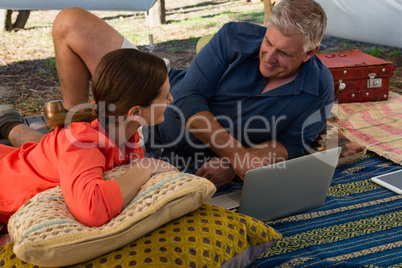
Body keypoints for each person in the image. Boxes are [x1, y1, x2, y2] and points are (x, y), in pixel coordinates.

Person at [1, 0, 334, 188]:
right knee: (70, 21)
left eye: (284, 54)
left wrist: (231, 165)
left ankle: (16, 127)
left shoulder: (319, 88)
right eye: (268, 43)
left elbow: (291, 145)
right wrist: (236, 155)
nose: (270, 56)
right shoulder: (235, 36)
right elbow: (187, 99)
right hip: (154, 102)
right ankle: (68, 130)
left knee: (72, 167)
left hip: (175, 159)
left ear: (309, 52)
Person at [0, 48, 177, 227]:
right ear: (136, 112)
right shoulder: (81, 140)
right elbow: (92, 210)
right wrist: (146, 168)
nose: (171, 99)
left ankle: (9, 123)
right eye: (164, 96)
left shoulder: (117, 125)